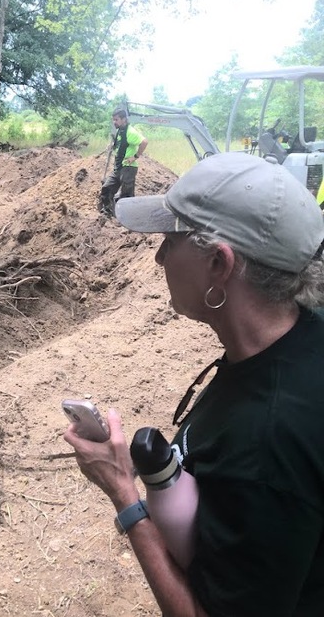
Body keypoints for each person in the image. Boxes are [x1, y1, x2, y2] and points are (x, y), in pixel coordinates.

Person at [66, 152, 324, 616]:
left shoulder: (268, 444)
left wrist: (125, 493)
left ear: (220, 265)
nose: (160, 255)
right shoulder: (300, 334)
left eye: (170, 239)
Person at [99, 108, 148, 217]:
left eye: (116, 119)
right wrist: (112, 146)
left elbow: (144, 142)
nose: (114, 122)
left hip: (128, 168)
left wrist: (135, 156)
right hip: (118, 167)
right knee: (106, 188)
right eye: (113, 119)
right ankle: (108, 213)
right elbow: (120, 144)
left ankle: (128, 220)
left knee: (126, 195)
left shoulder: (130, 132)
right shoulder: (120, 131)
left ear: (124, 119)